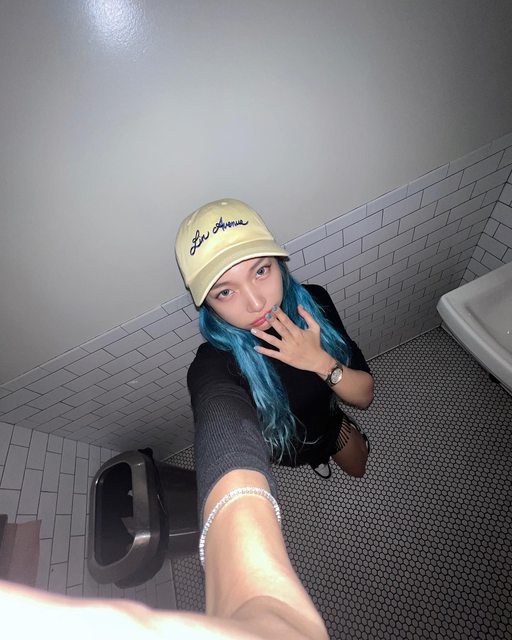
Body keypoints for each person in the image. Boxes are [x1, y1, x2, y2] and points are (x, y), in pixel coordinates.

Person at [173, 198, 374, 636]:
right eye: (225, 292)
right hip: (282, 450)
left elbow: (363, 396)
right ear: (208, 305)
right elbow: (220, 425)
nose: (256, 301)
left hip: (330, 426)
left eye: (261, 270)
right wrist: (250, 602)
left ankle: (337, 442)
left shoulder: (312, 304)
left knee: (358, 467)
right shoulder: (215, 363)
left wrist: (319, 361)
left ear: (279, 264)